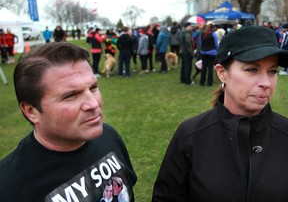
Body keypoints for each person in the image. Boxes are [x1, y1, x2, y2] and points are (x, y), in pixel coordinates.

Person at [152, 25, 288, 201]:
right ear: (222, 73)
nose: (266, 83)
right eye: (251, 70)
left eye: (272, 71)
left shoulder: (284, 134)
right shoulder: (191, 136)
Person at [0, 42, 137, 201]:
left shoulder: (109, 136)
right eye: (70, 96)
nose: (93, 103)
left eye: (93, 88)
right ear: (31, 111)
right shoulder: (8, 186)